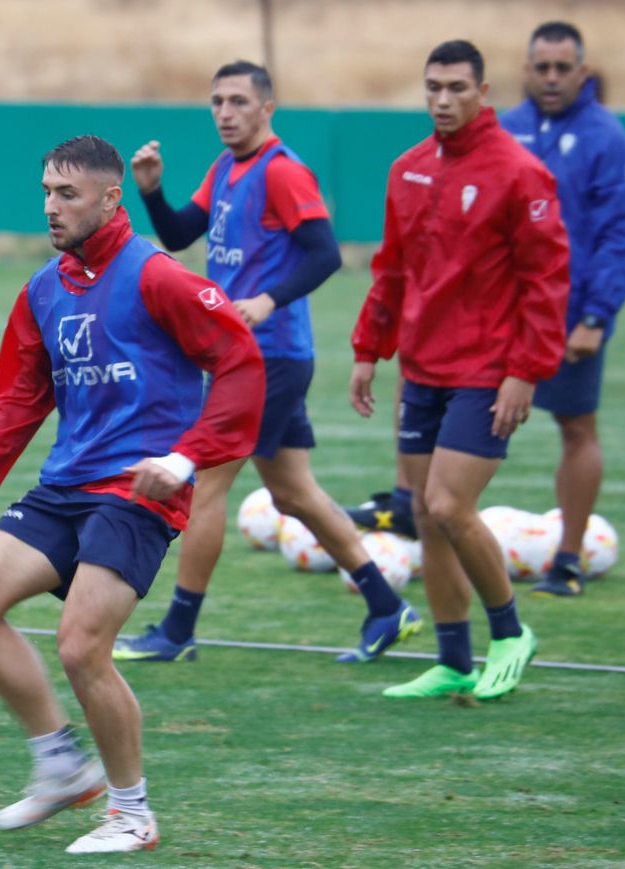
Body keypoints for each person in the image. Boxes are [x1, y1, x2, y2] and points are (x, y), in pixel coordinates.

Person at [0, 135, 263, 853]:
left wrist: (185, 458)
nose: (51, 206)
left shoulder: (156, 276)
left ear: (110, 198)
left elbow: (240, 363)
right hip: (66, 485)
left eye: (67, 194)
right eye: (45, 192)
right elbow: (19, 396)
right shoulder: (42, 288)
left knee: (81, 647)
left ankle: (132, 813)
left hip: (136, 491)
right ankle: (62, 765)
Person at [112, 60, 422, 666]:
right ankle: (388, 608)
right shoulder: (227, 167)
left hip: (268, 358)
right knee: (294, 496)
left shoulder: (283, 172)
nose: (225, 113)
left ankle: (177, 632)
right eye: (217, 102)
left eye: (238, 102)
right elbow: (179, 235)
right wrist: (150, 189)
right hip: (241, 356)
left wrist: (266, 298)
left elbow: (325, 253)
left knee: (200, 486)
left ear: (266, 108)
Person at [348, 40, 569, 699]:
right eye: (434, 88)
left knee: (449, 502)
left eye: (457, 89)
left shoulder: (520, 172)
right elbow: (391, 268)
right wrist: (368, 350)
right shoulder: (409, 168)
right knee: (423, 512)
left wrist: (525, 370)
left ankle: (511, 632)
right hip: (422, 367)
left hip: (488, 369)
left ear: (484, 93)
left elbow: (547, 280)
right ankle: (453, 659)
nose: (443, 101)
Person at [502, 21, 625, 597]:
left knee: (576, 428)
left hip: (569, 316)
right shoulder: (504, 132)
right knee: (455, 420)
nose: (553, 77)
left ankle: (566, 560)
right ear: (526, 70)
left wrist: (596, 317)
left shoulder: (607, 138)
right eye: (543, 67)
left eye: (564, 68)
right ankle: (444, 536)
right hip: (498, 316)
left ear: (583, 72)